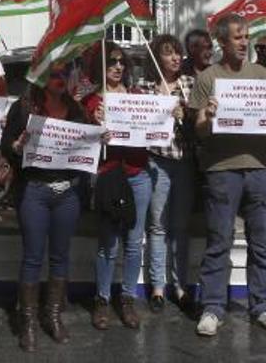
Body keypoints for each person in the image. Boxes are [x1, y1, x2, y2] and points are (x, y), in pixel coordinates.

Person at [188, 13, 266, 338]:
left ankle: (261, 306)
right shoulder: (208, 77)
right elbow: (199, 132)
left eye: (247, 36)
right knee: (219, 241)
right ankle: (213, 307)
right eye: (238, 37)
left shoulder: (262, 74)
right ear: (222, 41)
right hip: (221, 171)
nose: (245, 42)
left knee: (261, 243)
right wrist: (209, 117)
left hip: (260, 168)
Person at [0, 61, 100, 352]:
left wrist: (100, 135)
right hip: (34, 191)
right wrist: (17, 147)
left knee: (60, 256)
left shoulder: (77, 108)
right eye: (53, 74)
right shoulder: (23, 107)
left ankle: (53, 316)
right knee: (32, 257)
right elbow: (7, 145)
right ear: (40, 77)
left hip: (67, 192)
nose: (59, 79)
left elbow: (86, 144)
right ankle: (27, 322)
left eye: (63, 74)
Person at [82, 41, 155, 330]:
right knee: (108, 244)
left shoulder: (137, 95)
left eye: (121, 62)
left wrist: (171, 113)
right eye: (111, 61)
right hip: (109, 175)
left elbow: (157, 124)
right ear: (100, 65)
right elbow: (82, 141)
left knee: (134, 243)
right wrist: (93, 122)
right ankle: (101, 299)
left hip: (138, 174)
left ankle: (127, 298)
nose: (117, 66)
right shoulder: (91, 101)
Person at [141, 33, 196, 314]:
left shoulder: (190, 84)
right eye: (168, 53)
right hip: (157, 161)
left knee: (180, 227)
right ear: (157, 57)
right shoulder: (146, 87)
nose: (175, 58)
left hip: (184, 162)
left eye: (178, 53)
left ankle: (181, 286)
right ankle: (158, 287)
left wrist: (184, 113)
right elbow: (137, 123)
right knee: (158, 224)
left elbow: (199, 123)